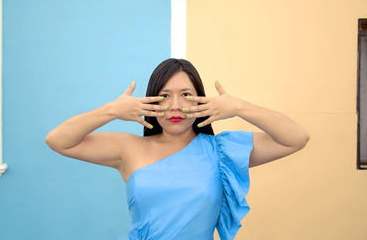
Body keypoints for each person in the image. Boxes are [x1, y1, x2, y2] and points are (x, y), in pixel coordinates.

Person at [45, 58, 310, 240]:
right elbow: (58, 140)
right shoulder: (128, 148)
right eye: (164, 95)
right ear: (150, 100)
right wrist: (111, 110)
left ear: (201, 100)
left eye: (186, 94)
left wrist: (239, 107)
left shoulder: (221, 151)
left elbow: (296, 138)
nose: (174, 106)